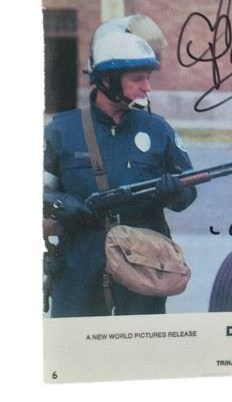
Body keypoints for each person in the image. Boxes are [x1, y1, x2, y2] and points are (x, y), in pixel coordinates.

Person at [43, 19, 197, 317]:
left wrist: (175, 192)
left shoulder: (158, 129)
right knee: (77, 344)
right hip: (78, 269)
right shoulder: (62, 130)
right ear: (108, 80)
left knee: (142, 343)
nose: (147, 87)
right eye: (137, 78)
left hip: (143, 269)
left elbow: (188, 193)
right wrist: (62, 203)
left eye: (148, 78)